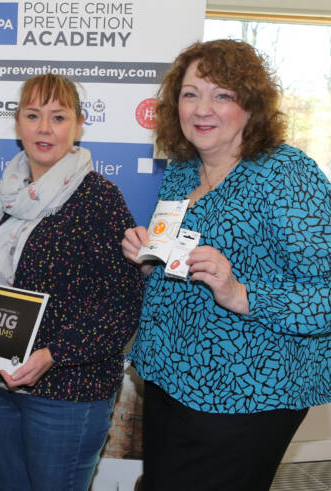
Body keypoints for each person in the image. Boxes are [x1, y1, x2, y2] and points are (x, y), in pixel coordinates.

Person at [122, 39, 331, 490]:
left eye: (222, 95)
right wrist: (148, 260)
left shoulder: (286, 176)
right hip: (168, 378)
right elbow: (180, 264)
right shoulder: (181, 171)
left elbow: (326, 295)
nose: (202, 108)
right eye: (191, 93)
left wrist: (241, 293)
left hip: (247, 392)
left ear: (251, 107)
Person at [0, 73, 144, 491]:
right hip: (2, 385)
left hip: (67, 392)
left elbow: (123, 305)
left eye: (57, 117)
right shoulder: (4, 196)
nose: (44, 128)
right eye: (33, 115)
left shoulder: (99, 200)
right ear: (17, 122)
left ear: (77, 125)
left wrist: (53, 355)